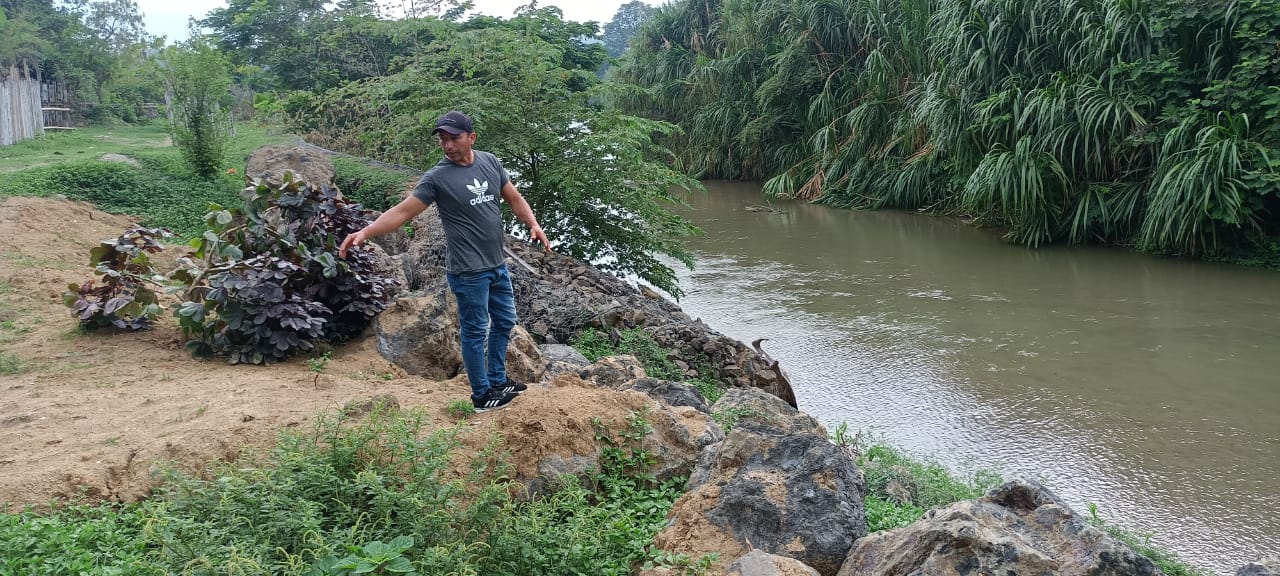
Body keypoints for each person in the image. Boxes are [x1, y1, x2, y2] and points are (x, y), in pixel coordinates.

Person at [339, 111, 551, 412]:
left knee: (504, 322)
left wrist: (533, 223)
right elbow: (403, 212)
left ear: (471, 137)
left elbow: (514, 198)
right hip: (468, 271)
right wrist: (365, 232)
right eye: (443, 139)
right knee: (475, 331)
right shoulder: (437, 178)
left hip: (496, 264)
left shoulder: (490, 162)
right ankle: (481, 395)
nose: (448, 145)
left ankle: (497, 380)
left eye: (454, 138)